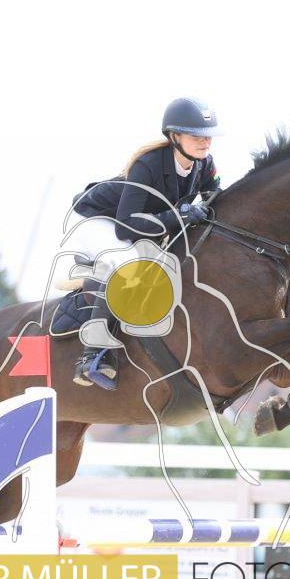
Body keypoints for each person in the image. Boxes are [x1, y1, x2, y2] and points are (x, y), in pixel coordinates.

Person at [67, 97, 222, 388]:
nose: (205, 142)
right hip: (95, 219)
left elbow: (217, 200)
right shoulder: (148, 164)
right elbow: (126, 226)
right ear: (174, 137)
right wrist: (180, 215)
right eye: (196, 136)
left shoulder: (204, 164)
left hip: (136, 222)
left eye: (208, 136)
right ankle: (92, 355)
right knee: (128, 263)